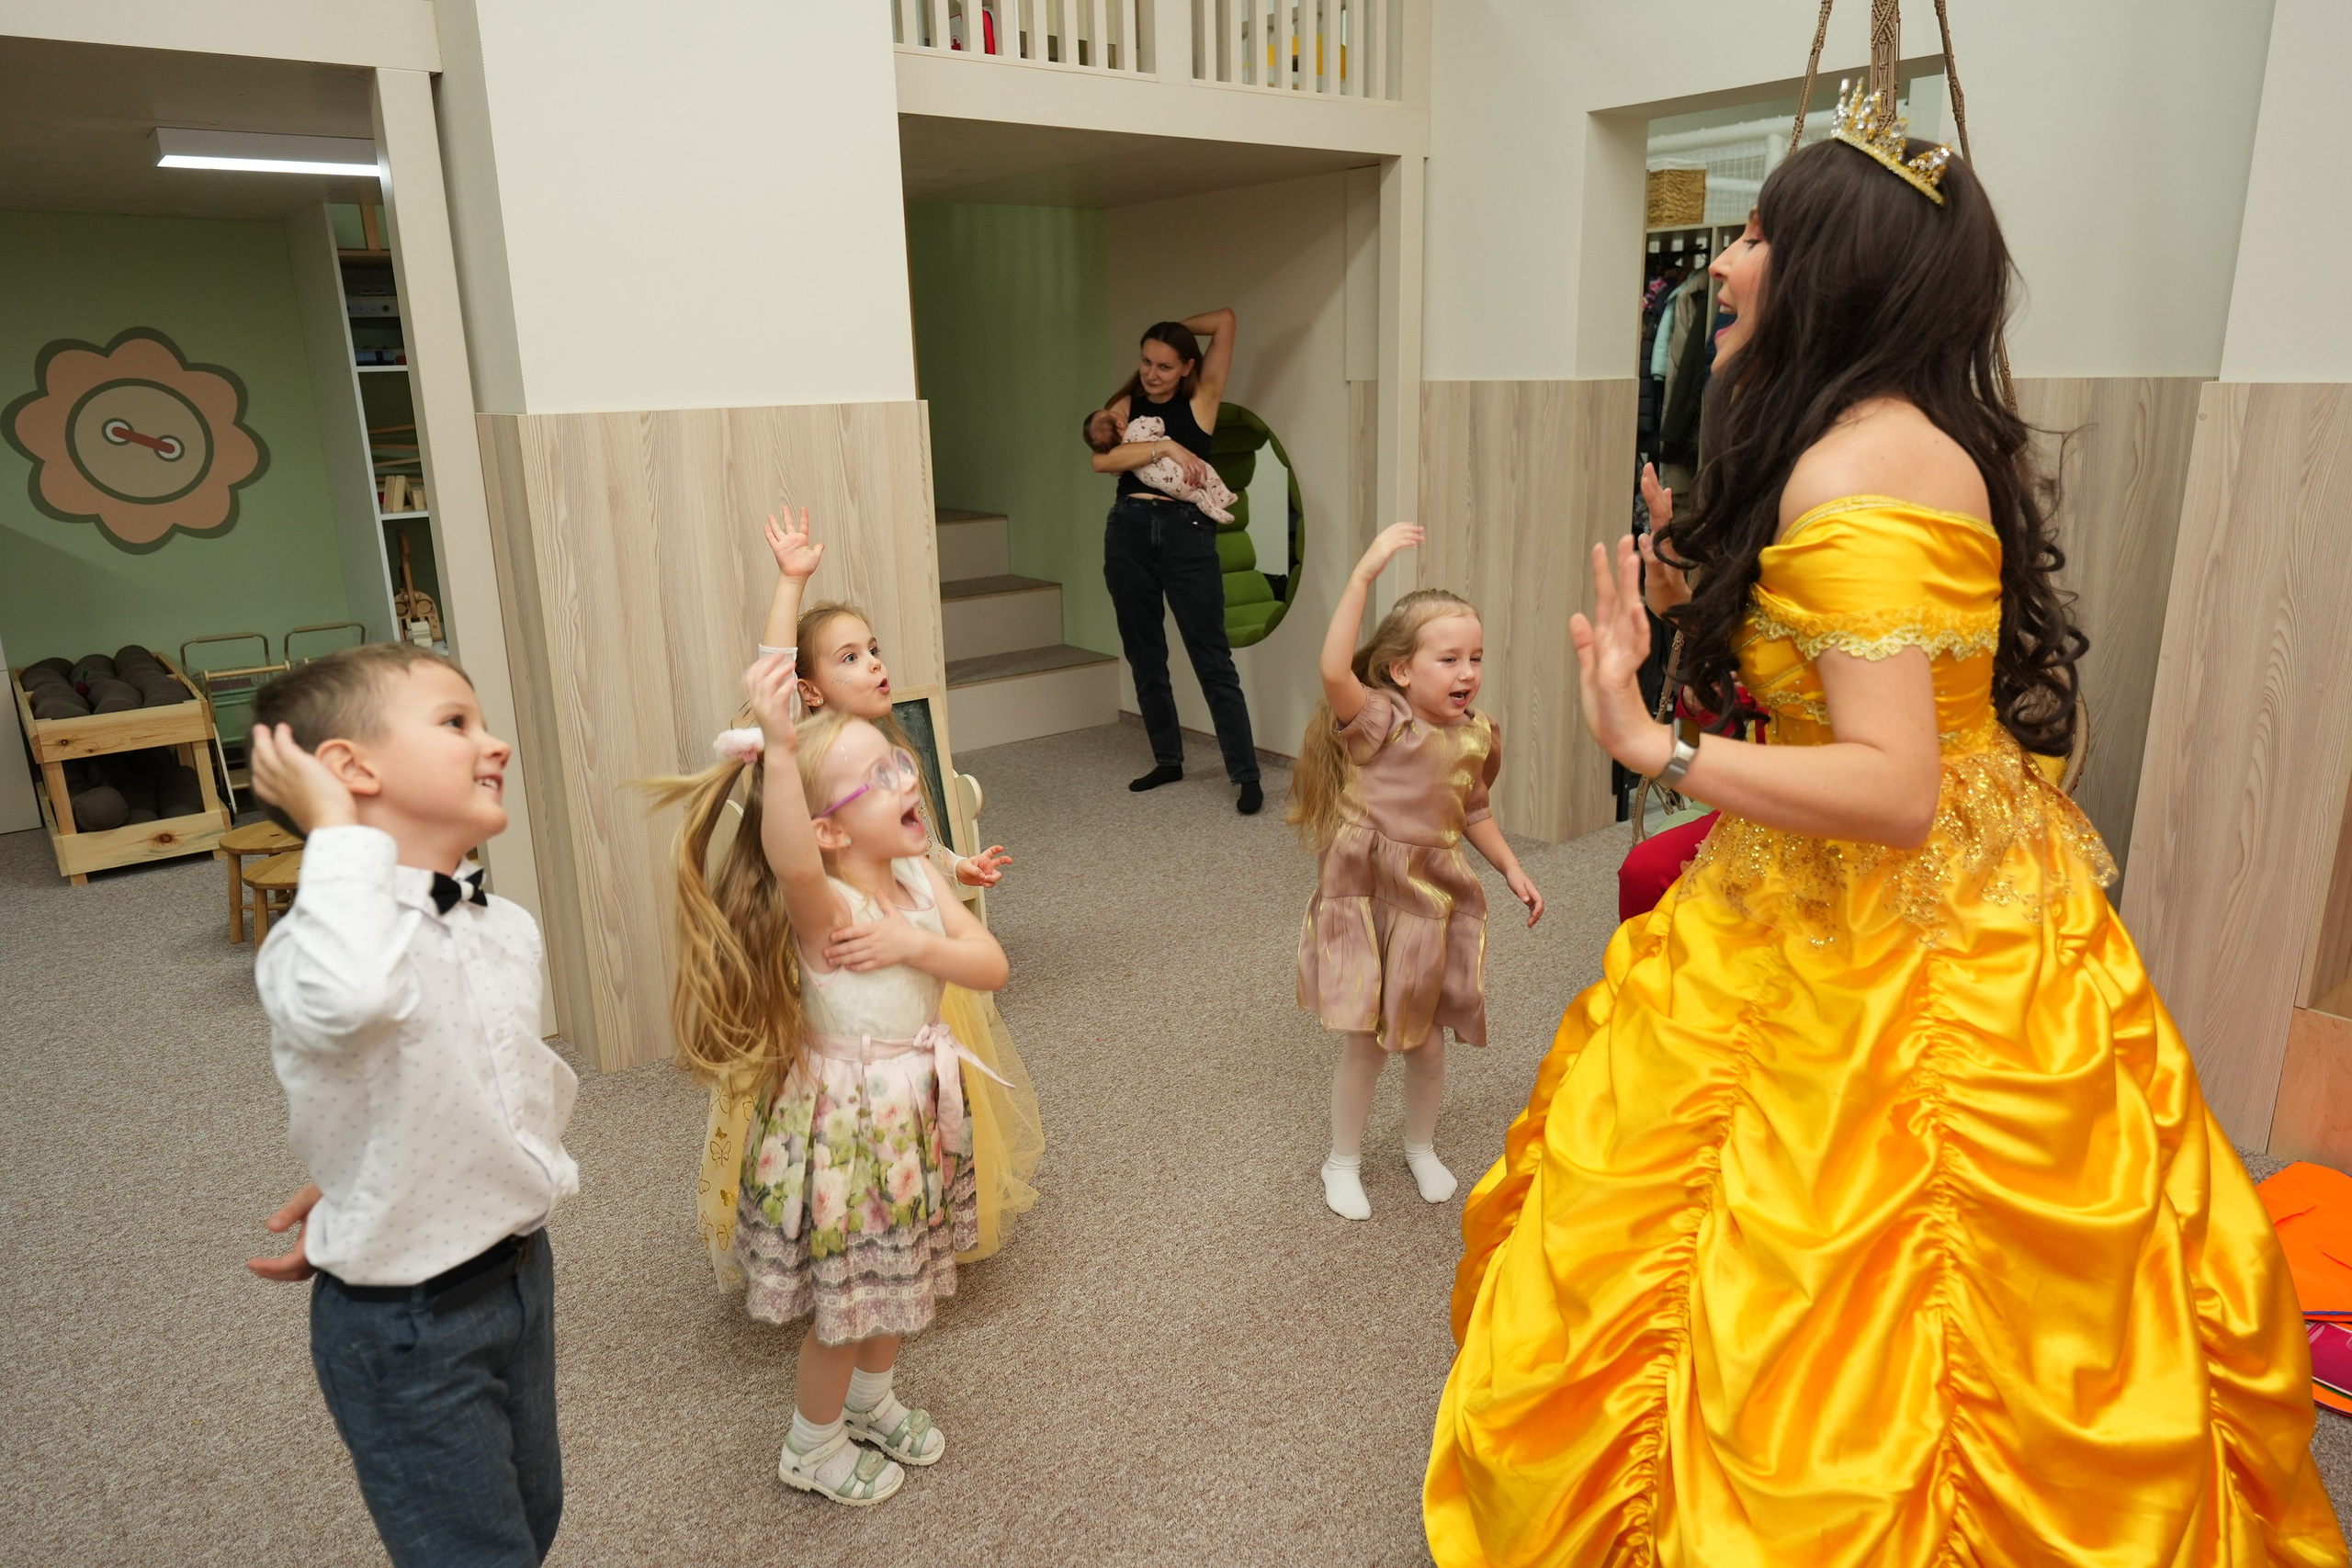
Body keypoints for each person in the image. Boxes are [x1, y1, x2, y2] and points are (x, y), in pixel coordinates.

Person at [1423, 89, 2349, 1566]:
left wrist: (1659, 747)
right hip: (1995, 874)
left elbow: (1895, 784)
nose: (1729, 263)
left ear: (1825, 270)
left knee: (1844, 1258)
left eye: (1758, 235)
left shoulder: (1847, 467)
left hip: (1872, 905)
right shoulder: (1922, 437)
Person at [243, 643, 576, 1568]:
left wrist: (363, 1170)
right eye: (457, 722)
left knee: (533, 1513)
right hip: (408, 1325)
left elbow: (485, 1085)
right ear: (348, 769)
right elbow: (357, 1000)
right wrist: (333, 830)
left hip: (519, 1271)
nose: (495, 742)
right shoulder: (316, 946)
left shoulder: (503, 925)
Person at [657, 652, 1012, 1507]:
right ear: (830, 832)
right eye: (879, 776)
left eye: (900, 763)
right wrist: (781, 749)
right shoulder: (826, 913)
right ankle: (810, 1446)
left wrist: (914, 942)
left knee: (900, 1283)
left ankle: (870, 1402)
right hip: (850, 1137)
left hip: (914, 1118)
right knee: (849, 1309)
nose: (907, 776)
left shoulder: (918, 879)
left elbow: (991, 964)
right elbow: (786, 855)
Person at [748, 508, 1042, 1263]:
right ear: (811, 691)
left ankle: (919, 1214)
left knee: (921, 1107)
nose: (874, 664)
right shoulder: (803, 754)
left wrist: (954, 866)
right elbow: (772, 693)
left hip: (914, 954)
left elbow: (914, 841)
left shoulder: (889, 748)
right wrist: (791, 581)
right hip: (845, 969)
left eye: (874, 649)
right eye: (849, 657)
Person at [1291, 524, 1544, 1222]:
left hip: (1431, 898)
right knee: (1369, 1044)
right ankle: (1341, 1161)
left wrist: (1511, 866)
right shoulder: (1380, 721)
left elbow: (1474, 809)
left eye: (1476, 658)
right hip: (1369, 892)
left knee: (1428, 1044)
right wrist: (1362, 575)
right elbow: (1334, 670)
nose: (1467, 673)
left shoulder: (1477, 733)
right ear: (1401, 670)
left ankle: (1420, 1145)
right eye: (1449, 658)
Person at [1090, 310, 1264, 815]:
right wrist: (1163, 445)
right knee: (1144, 654)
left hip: (1187, 533)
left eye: (1165, 365)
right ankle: (1168, 759)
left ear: (1188, 366)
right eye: (1146, 361)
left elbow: (1227, 320)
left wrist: (1175, 330)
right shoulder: (1126, 404)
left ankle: (1246, 775)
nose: (1151, 373)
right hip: (1128, 530)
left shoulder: (1203, 397)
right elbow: (1102, 460)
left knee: (1212, 657)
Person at [1083, 407, 1240, 524]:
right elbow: (1158, 424)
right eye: (1110, 412)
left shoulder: (1121, 455)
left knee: (1197, 497)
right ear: (1119, 423)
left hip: (1172, 487)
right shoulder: (1136, 427)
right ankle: (1222, 497)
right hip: (1180, 468)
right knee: (1207, 473)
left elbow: (1115, 472)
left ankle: (1216, 513)